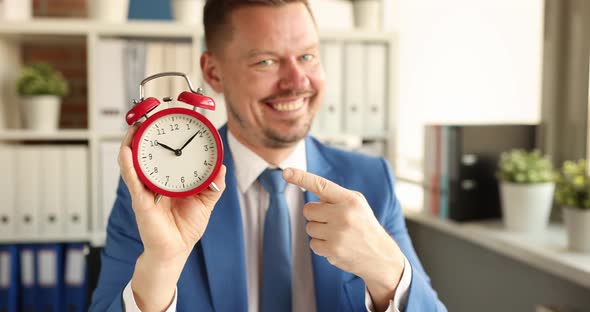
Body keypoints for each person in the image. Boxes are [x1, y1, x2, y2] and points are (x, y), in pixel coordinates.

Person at [90, 0, 446, 311]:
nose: (296, 81)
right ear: (214, 72)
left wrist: (388, 272)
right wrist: (162, 265)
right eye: (266, 61)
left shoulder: (371, 180)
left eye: (307, 56)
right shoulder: (157, 193)